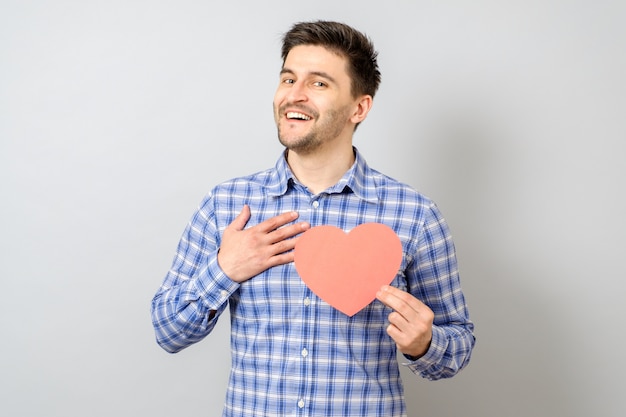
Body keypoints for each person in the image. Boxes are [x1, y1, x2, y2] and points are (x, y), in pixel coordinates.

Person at [151, 20, 475, 417]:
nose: (295, 95)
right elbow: (167, 331)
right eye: (288, 79)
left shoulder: (414, 215)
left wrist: (424, 344)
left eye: (318, 83)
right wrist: (225, 268)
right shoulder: (226, 205)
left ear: (360, 107)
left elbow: (457, 343)